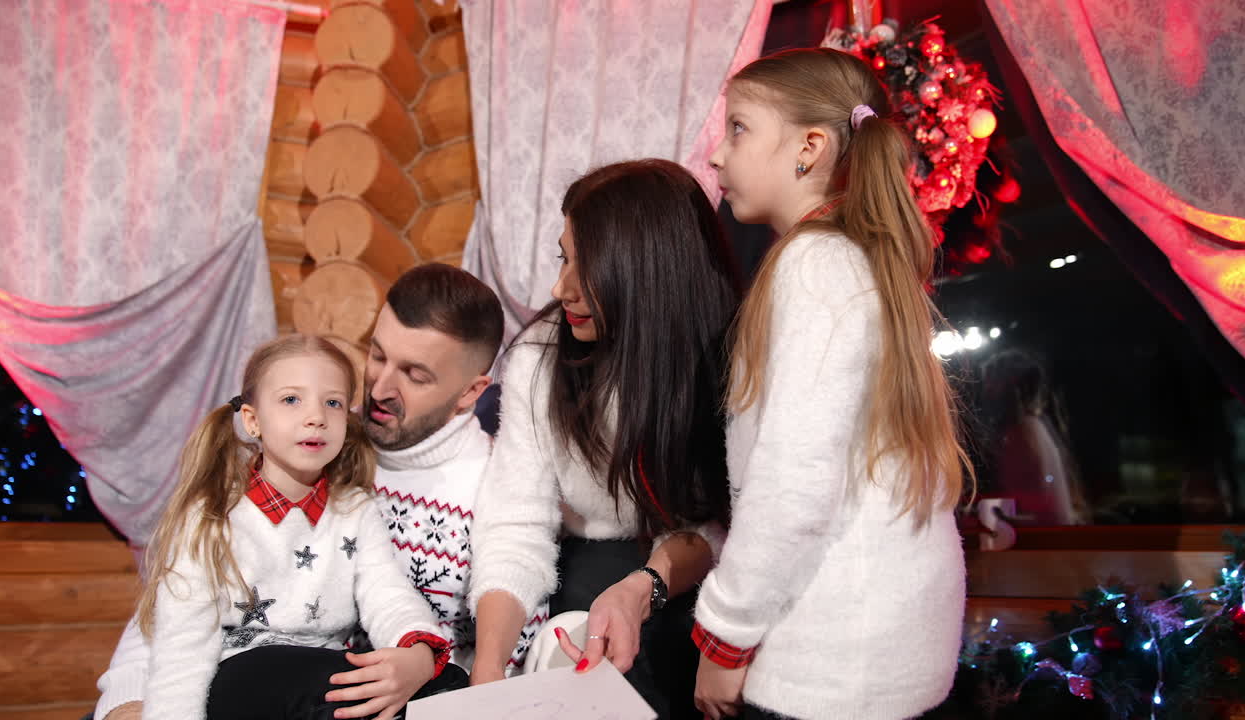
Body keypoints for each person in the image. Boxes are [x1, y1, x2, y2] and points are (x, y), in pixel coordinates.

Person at [95, 264, 545, 720]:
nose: (380, 389)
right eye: (377, 354)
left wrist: (422, 655)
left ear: (471, 392)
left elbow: (393, 594)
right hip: (250, 681)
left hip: (385, 687)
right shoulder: (308, 451)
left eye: (415, 374)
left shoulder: (498, 478)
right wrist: (125, 705)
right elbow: (175, 616)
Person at [690, 48, 971, 720]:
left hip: (830, 662)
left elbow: (796, 480)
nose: (717, 156)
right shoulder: (861, 260)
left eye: (739, 129)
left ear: (809, 148)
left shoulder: (814, 265)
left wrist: (723, 638)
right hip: (885, 651)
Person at [467, 159, 741, 718]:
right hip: (586, 563)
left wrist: (644, 587)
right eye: (563, 256)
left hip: (692, 576)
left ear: (647, 272)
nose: (559, 287)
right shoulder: (539, 359)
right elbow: (516, 523)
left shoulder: (723, 363)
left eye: (585, 266)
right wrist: (488, 666)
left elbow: (712, 530)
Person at [136, 334, 452, 720]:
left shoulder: (356, 509)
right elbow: (181, 647)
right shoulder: (213, 516)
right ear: (253, 421)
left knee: (446, 683)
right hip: (242, 676)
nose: (316, 416)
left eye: (332, 402)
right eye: (291, 400)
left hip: (323, 672)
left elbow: (386, 592)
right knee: (329, 690)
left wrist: (416, 652)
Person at [979, 349, 1089, 526]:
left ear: (1011, 388)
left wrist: (1002, 520)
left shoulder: (1024, 432)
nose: (986, 391)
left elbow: (1049, 513)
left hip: (1045, 545)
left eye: (991, 383)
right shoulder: (1031, 428)